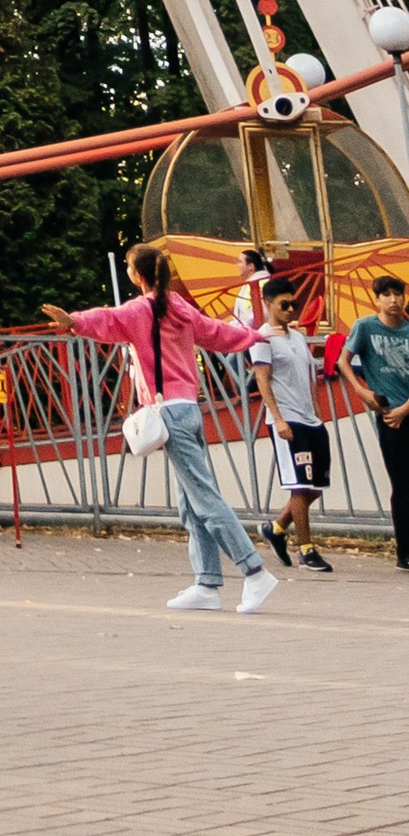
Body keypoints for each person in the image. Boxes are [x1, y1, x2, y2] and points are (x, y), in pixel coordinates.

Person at [45, 242, 278, 613]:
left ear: (136, 275)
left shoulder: (140, 309)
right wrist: (254, 336)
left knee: (204, 500)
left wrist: (72, 322)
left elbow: (106, 320)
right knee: (192, 502)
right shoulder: (180, 307)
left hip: (168, 411)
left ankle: (255, 571)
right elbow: (217, 333)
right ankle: (207, 584)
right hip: (188, 409)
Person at [250, 281, 335, 573]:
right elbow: (263, 378)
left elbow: (309, 375)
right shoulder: (262, 338)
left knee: (315, 487)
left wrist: (317, 411)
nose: (288, 310)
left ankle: (276, 527)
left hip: (310, 418)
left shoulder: (297, 337)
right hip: (287, 418)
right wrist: (278, 417)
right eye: (282, 305)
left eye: (292, 305)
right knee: (300, 485)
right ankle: (307, 549)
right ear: (268, 304)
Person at [342, 270, 409, 566]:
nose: (394, 301)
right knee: (402, 484)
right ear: (377, 300)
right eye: (387, 295)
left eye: (398, 294)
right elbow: (342, 360)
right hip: (389, 416)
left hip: (405, 409)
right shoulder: (365, 327)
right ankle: (404, 552)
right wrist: (362, 392)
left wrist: (406, 408)